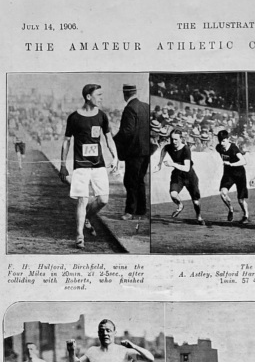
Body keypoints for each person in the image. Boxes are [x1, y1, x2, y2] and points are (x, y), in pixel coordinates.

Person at [59, 83, 118, 248]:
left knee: (103, 200)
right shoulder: (74, 117)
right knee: (82, 200)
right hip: (81, 166)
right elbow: (66, 142)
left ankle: (86, 217)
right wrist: (63, 165)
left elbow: (109, 138)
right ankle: (79, 236)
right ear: (88, 97)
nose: (101, 98)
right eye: (98, 95)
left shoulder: (102, 116)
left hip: (98, 165)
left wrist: (115, 156)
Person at [113, 83, 150, 220]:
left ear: (125, 94)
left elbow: (127, 131)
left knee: (130, 181)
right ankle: (141, 209)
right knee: (140, 180)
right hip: (146, 151)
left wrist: (114, 140)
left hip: (134, 152)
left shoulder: (129, 108)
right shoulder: (146, 106)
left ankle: (130, 211)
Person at [155, 128, 205, 225]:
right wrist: (159, 164)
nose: (173, 142)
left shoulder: (186, 149)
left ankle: (199, 217)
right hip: (178, 175)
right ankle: (180, 205)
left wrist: (172, 164)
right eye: (172, 139)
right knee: (173, 194)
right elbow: (164, 149)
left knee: (196, 202)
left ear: (181, 138)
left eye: (176, 139)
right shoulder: (169, 146)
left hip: (190, 176)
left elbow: (186, 168)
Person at [215, 129, 249, 224]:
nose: (222, 143)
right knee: (223, 193)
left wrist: (231, 164)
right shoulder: (218, 148)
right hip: (228, 174)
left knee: (241, 200)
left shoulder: (233, 148)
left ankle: (246, 215)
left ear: (228, 139)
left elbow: (243, 161)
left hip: (239, 174)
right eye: (220, 141)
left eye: (224, 141)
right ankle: (230, 209)